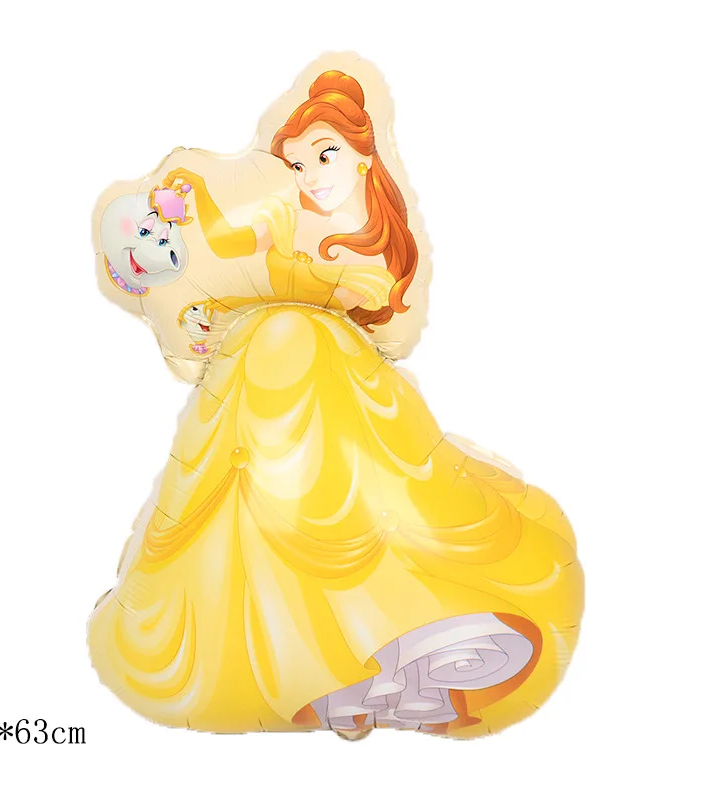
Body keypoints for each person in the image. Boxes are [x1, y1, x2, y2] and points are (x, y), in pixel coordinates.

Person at [88, 70, 583, 738]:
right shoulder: (271, 237)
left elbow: (319, 284)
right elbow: (241, 268)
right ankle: (323, 656)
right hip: (277, 363)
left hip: (319, 367)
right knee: (272, 413)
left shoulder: (331, 246)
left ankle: (380, 637)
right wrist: (202, 304)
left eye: (325, 155)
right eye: (296, 163)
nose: (310, 175)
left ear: (362, 159)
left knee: (315, 410)